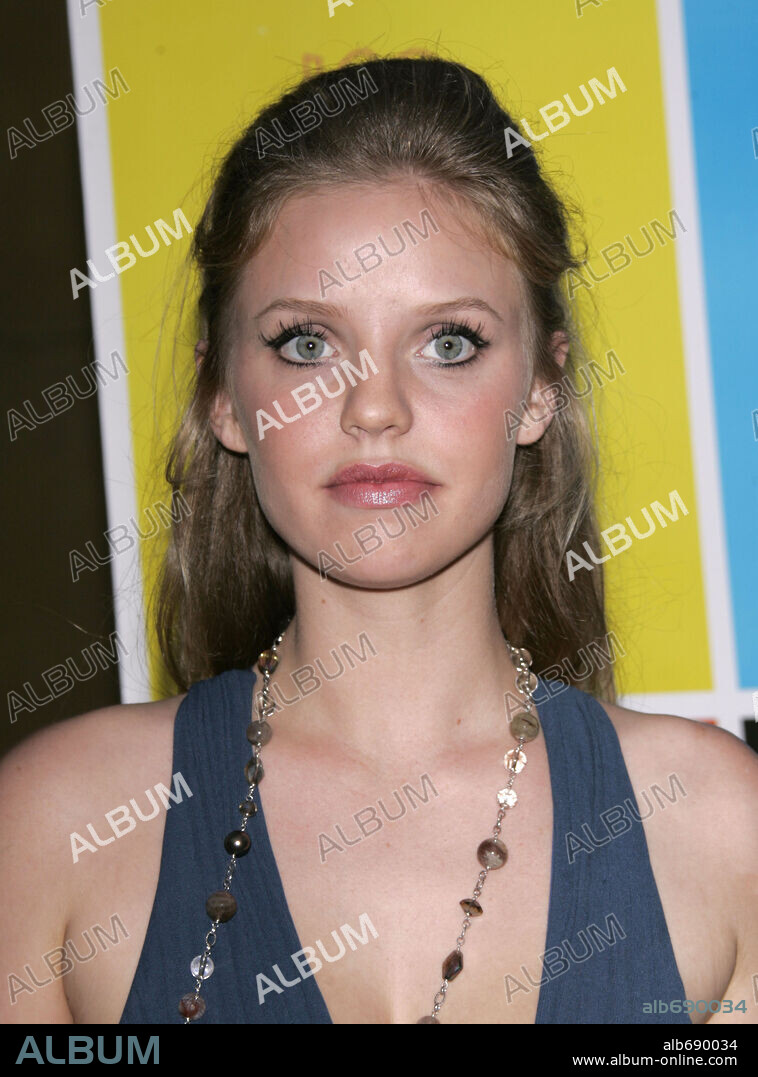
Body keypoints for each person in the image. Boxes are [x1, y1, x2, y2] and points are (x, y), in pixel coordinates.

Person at [1, 57, 755, 1027]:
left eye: (448, 342)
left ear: (537, 387)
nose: (373, 408)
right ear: (223, 395)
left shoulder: (721, 832)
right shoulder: (51, 827)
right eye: (305, 343)